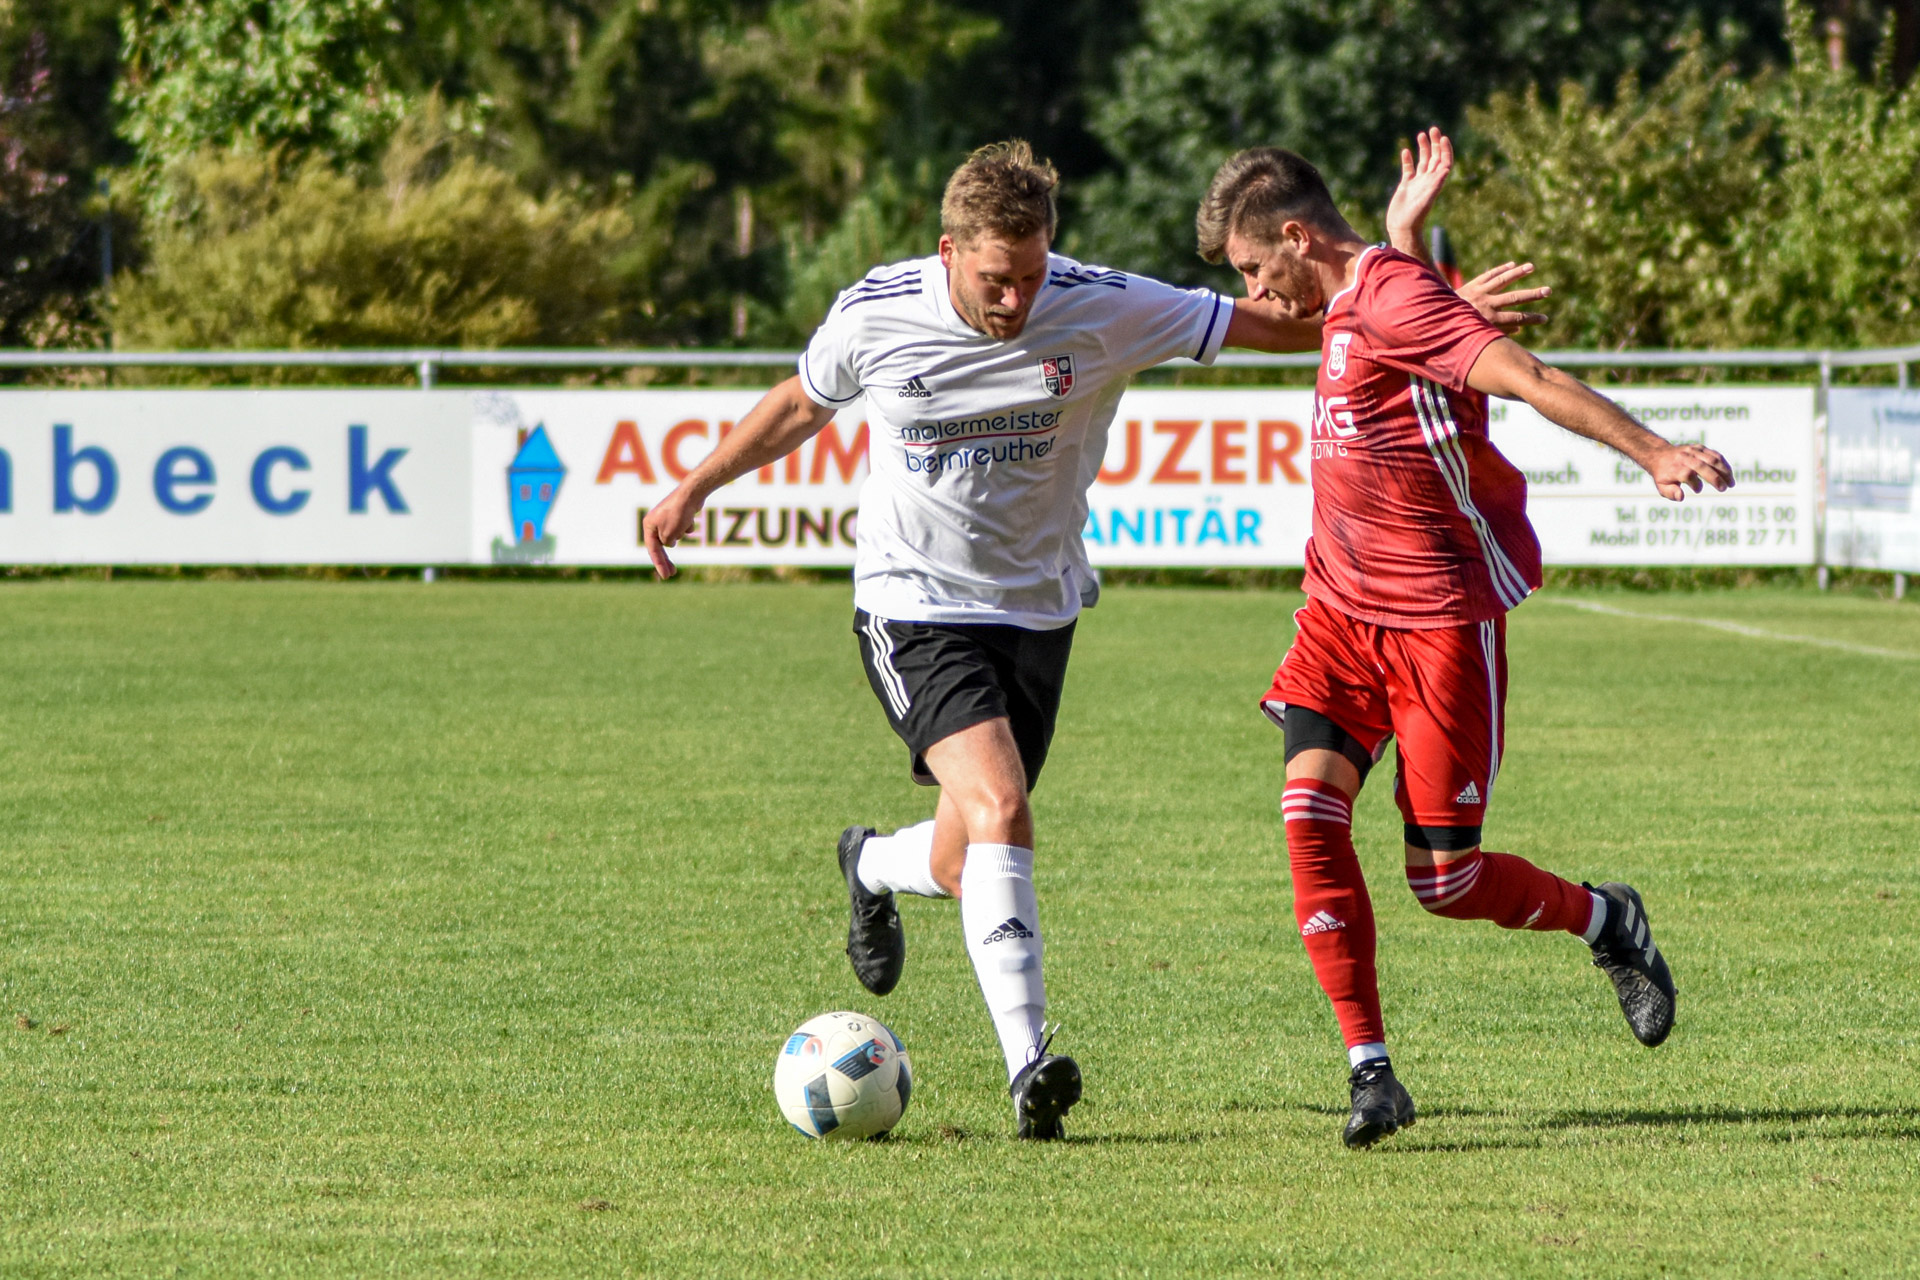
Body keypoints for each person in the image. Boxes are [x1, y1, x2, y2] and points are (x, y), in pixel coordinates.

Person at [644, 138, 1544, 1140]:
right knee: (1003, 805)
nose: (1017, 300)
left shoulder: (1101, 303)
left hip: (1038, 612)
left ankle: (871, 865)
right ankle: (1029, 1064)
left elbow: (1289, 321)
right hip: (913, 605)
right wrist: (694, 486)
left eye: (1032, 276)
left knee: (965, 855)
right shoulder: (876, 313)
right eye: (996, 280)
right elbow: (798, 403)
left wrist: (1435, 319)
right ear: (948, 252)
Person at [1195, 134, 1734, 1148]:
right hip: (1338, 616)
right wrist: (1407, 242)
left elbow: (1525, 374)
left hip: (1437, 624)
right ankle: (1371, 1071)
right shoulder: (1365, 292)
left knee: (1444, 882)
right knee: (1308, 815)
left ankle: (1608, 920)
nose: (1256, 293)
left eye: (1255, 268)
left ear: (1297, 236)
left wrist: (1653, 450)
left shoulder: (1392, 299)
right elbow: (1396, 317)